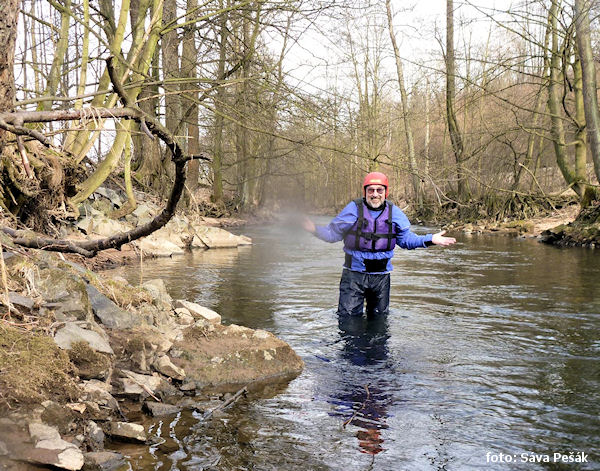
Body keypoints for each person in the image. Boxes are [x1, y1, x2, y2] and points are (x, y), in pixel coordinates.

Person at [302, 171, 456, 317]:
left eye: (379, 190)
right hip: (354, 277)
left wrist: (430, 239)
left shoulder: (395, 213)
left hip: (381, 279)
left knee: (379, 321)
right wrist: (313, 229)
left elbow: (406, 240)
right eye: (371, 190)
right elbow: (333, 234)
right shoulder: (353, 210)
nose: (375, 194)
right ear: (365, 192)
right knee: (348, 320)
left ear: (385, 192)